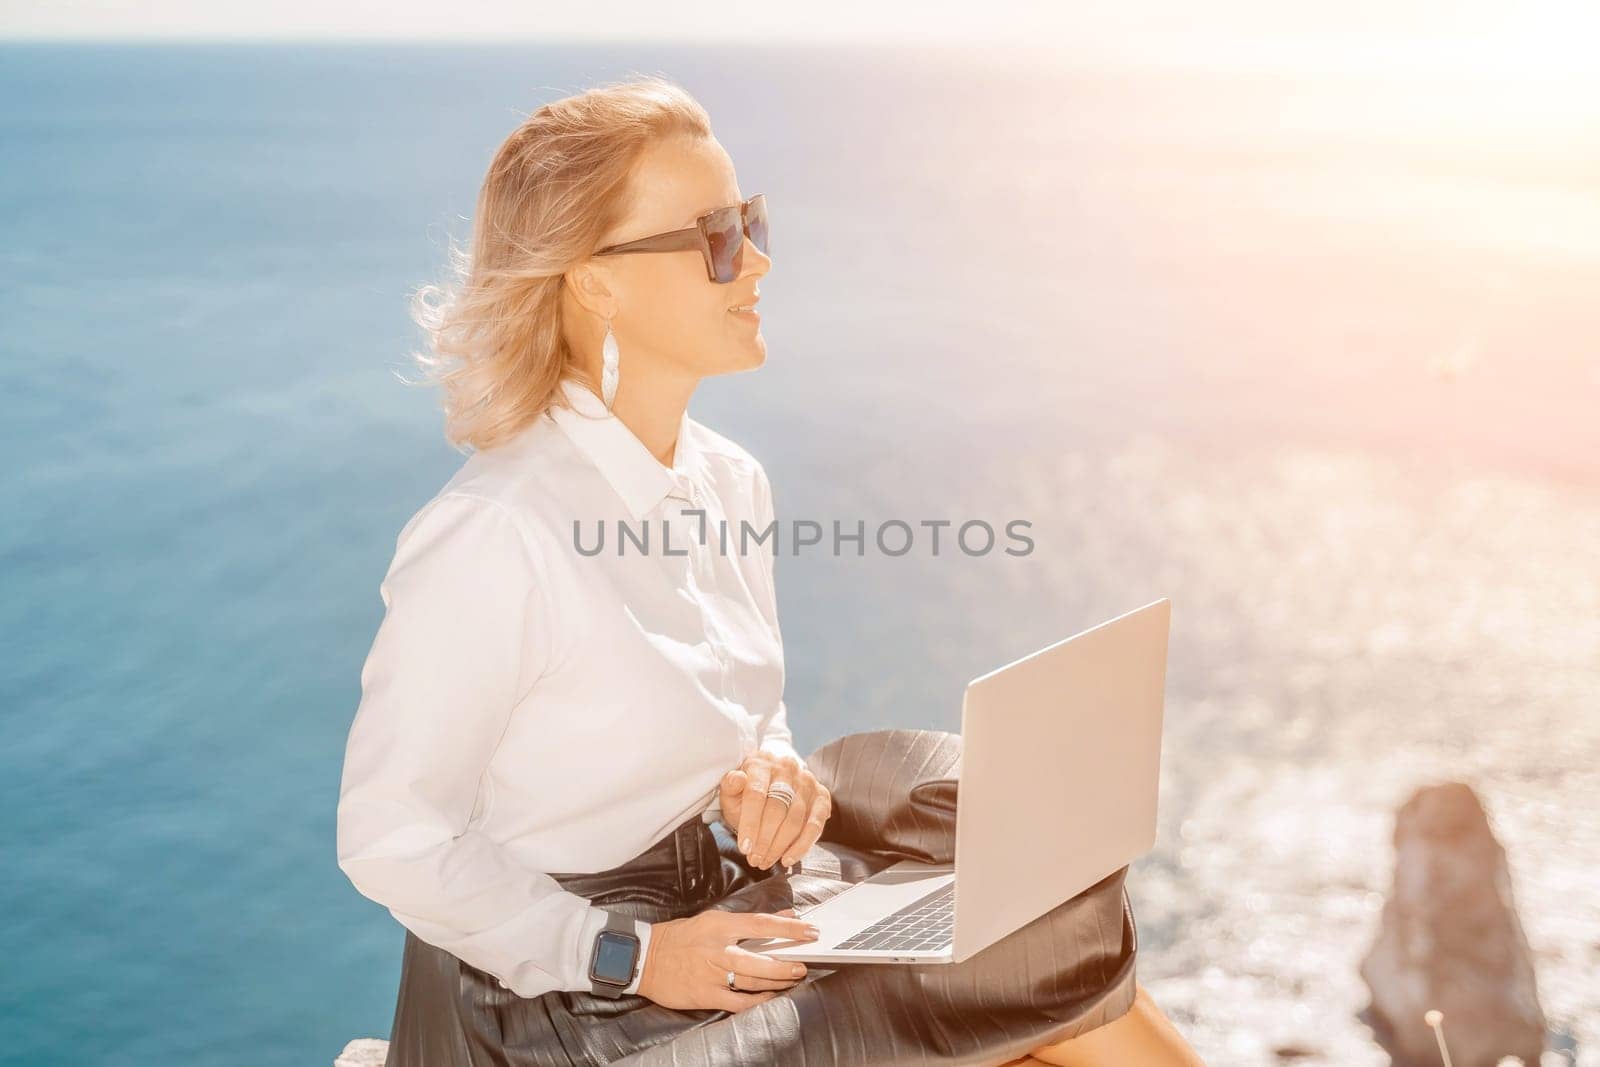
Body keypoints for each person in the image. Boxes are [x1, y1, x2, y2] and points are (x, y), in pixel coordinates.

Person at [335, 74, 1204, 1066]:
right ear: (594, 279)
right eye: (711, 235)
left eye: (747, 220)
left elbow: (751, 723)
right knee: (1024, 983)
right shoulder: (497, 532)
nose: (753, 261)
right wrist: (628, 952)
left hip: (722, 911)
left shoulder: (728, 482)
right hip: (557, 1003)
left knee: (1028, 886)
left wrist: (772, 777)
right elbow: (391, 834)